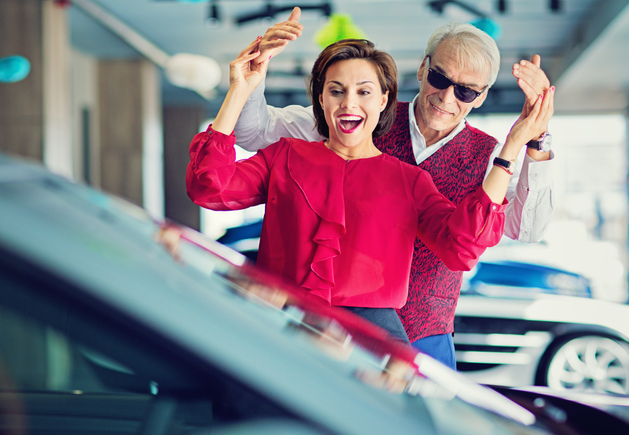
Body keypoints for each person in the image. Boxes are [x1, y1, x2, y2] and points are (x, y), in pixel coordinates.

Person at [232, 8, 556, 369]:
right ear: (422, 68)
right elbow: (254, 132)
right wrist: (254, 76)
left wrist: (536, 136)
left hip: (427, 337)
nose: (447, 98)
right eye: (439, 78)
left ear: (481, 97)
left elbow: (527, 228)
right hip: (334, 333)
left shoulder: (492, 157)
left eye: (465, 91)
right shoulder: (360, 112)